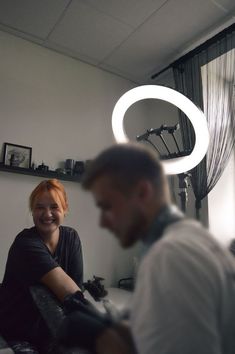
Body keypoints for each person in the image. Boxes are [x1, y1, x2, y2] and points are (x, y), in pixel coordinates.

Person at [58, 143, 235, 354]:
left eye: (108, 207)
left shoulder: (170, 255)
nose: (103, 222)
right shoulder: (191, 238)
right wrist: (111, 325)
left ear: (142, 192)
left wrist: (103, 341)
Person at [0, 179, 84, 352]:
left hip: (48, 331)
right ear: (32, 210)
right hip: (17, 332)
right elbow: (67, 291)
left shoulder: (71, 237)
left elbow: (77, 292)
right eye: (40, 207)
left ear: (64, 209)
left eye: (54, 207)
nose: (47, 214)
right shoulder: (25, 244)